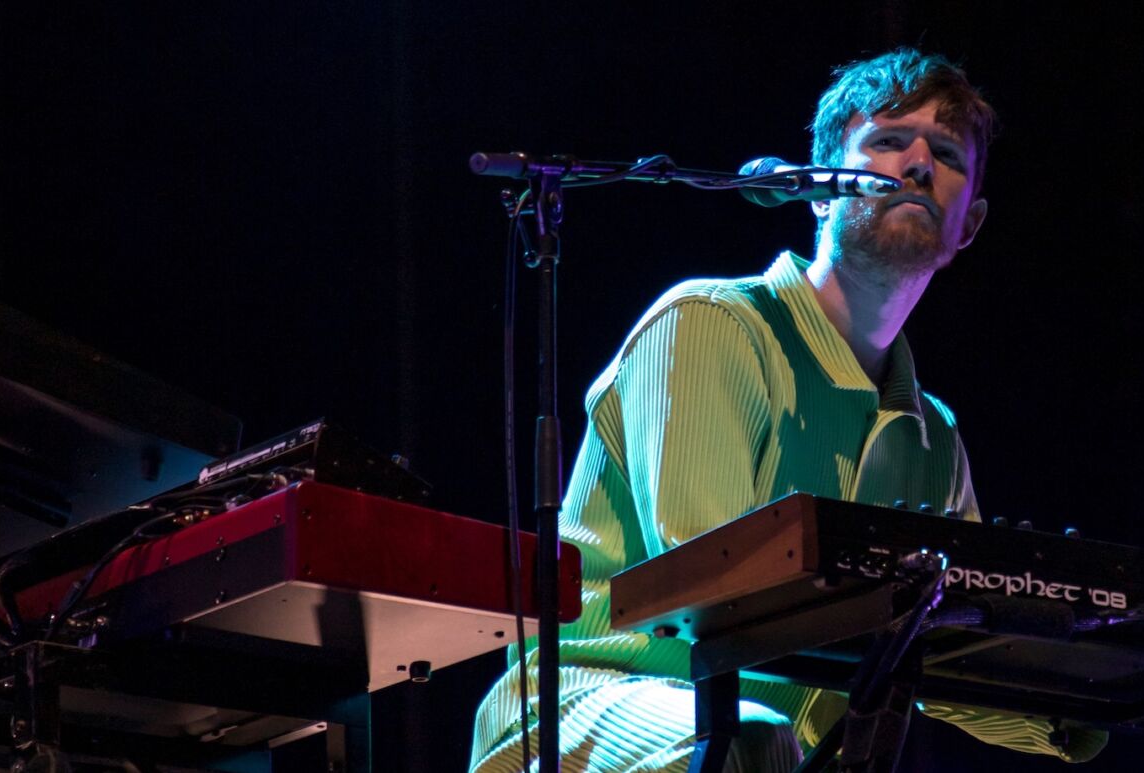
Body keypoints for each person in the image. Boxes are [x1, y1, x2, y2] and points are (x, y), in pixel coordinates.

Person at [470, 48, 1108, 772]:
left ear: (970, 224)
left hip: (768, 746)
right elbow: (713, 584)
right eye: (889, 141)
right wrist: (906, 609)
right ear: (815, 190)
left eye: (947, 153)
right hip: (585, 706)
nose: (918, 164)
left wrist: (1098, 686)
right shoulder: (713, 323)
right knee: (754, 739)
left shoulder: (936, 438)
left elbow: (953, 654)